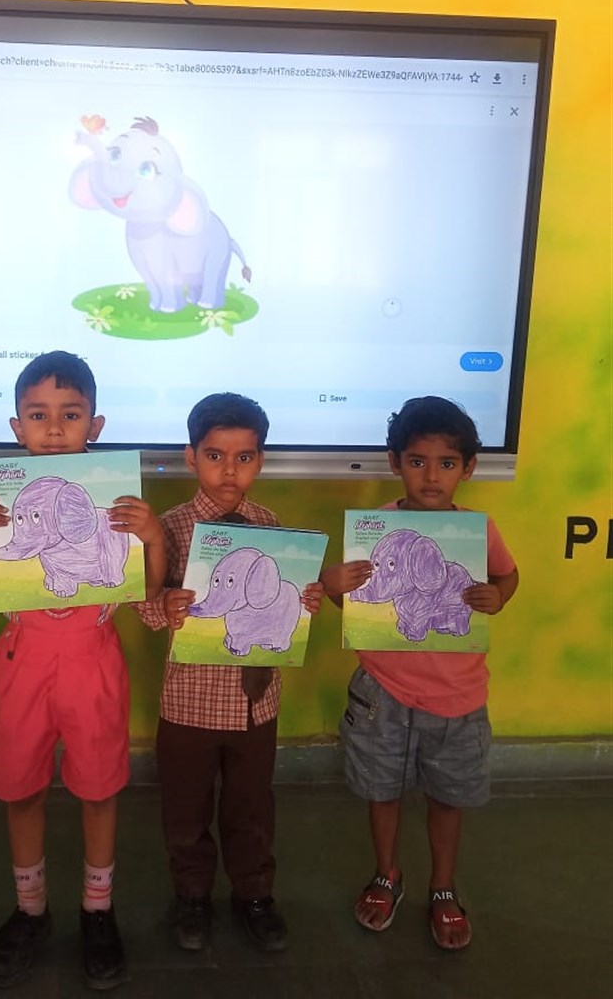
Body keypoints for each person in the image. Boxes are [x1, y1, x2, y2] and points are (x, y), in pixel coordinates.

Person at [0, 350, 165, 991]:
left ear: (94, 426)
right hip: (21, 661)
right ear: (16, 427)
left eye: (70, 415)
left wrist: (153, 537)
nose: (53, 429)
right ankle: (31, 909)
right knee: (21, 788)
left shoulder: (116, 505)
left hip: (93, 660)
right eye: (38, 415)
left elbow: (147, 590)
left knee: (99, 788)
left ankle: (97, 910)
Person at [321, 396, 519, 951]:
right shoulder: (376, 532)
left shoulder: (479, 531)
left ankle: (443, 886)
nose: (431, 476)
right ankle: (388, 874)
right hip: (382, 694)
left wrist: (499, 596)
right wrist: (333, 587)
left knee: (447, 797)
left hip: (458, 696)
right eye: (417, 461)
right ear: (395, 463)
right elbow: (359, 611)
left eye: (446, 463)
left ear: (468, 468)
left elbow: (508, 575)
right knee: (380, 791)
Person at [136, 393, 324, 954]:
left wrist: (306, 599)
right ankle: (192, 895)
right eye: (215, 456)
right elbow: (144, 604)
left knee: (251, 806)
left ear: (259, 461)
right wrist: (165, 605)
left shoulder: (271, 527)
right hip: (189, 703)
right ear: (191, 457)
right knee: (185, 808)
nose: (229, 471)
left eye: (244, 458)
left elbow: (282, 602)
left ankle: (254, 894)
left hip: (255, 704)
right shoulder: (169, 527)